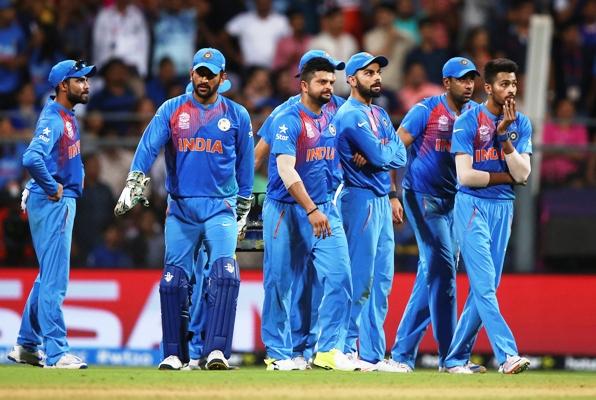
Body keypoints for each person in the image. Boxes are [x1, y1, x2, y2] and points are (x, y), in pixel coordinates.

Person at [114, 48, 254, 371]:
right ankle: (175, 354)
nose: (203, 79)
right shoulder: (172, 110)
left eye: (210, 74)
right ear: (191, 74)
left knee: (224, 275)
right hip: (180, 210)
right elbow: (149, 145)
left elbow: (246, 165)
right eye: (199, 72)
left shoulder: (237, 115)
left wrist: (244, 206)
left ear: (223, 78)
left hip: (221, 207)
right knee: (173, 281)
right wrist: (135, 180)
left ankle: (215, 351)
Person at [390, 57, 486, 373]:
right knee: (443, 269)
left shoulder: (476, 115)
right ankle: (451, 359)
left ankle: (402, 355)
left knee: (432, 273)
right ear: (447, 83)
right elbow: (393, 149)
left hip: (456, 202)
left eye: (472, 79)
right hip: (422, 196)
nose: (469, 85)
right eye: (462, 79)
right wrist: (392, 192)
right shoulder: (426, 110)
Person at [262, 55, 357, 371]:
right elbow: (286, 171)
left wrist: (358, 151)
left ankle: (328, 350)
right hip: (286, 210)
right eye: (322, 82)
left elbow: (354, 131)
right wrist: (311, 209)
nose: (329, 87)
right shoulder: (287, 118)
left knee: (341, 276)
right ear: (304, 85)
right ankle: (278, 353)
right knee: (279, 282)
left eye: (332, 81)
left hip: (325, 208)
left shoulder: (337, 110)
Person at [444, 58, 531, 374]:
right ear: (488, 87)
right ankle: (508, 355)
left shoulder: (521, 124)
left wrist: (504, 138)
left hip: (503, 209)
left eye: (514, 84)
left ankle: (454, 359)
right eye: (504, 84)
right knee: (483, 286)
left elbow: (523, 173)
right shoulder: (467, 122)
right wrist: (506, 176)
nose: (510, 90)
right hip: (472, 206)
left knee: (485, 288)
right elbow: (465, 177)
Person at [8, 59, 96, 369]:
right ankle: (57, 352)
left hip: (56, 199)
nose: (86, 85)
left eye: (86, 80)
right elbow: (32, 157)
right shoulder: (54, 118)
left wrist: (76, 174)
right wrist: (50, 186)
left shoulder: (67, 116)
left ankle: (27, 345)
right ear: (63, 85)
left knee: (47, 276)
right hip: (53, 202)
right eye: (80, 80)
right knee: (55, 281)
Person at [333, 52, 407, 371]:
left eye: (377, 72)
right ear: (351, 79)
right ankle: (346, 348)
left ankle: (373, 354)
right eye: (368, 73)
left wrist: (382, 162)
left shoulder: (378, 113)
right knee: (359, 279)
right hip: (358, 198)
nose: (376, 78)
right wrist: (380, 154)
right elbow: (382, 153)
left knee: (382, 282)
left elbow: (398, 154)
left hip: (378, 197)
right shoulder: (351, 115)